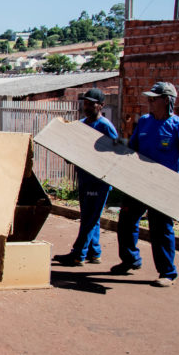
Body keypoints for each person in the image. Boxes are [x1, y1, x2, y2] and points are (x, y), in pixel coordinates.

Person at [112, 81, 179, 287]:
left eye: (153, 98)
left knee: (160, 229)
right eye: (149, 98)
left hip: (164, 185)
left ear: (167, 100)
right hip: (140, 181)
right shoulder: (144, 122)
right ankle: (131, 260)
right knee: (126, 221)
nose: (149, 102)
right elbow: (132, 149)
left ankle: (167, 272)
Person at [54, 88, 117, 266]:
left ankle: (78, 254)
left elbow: (116, 153)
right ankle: (94, 252)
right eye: (85, 103)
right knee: (90, 216)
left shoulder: (105, 126)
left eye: (91, 104)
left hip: (99, 181)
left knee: (90, 218)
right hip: (84, 178)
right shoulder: (81, 124)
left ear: (101, 106)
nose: (87, 107)